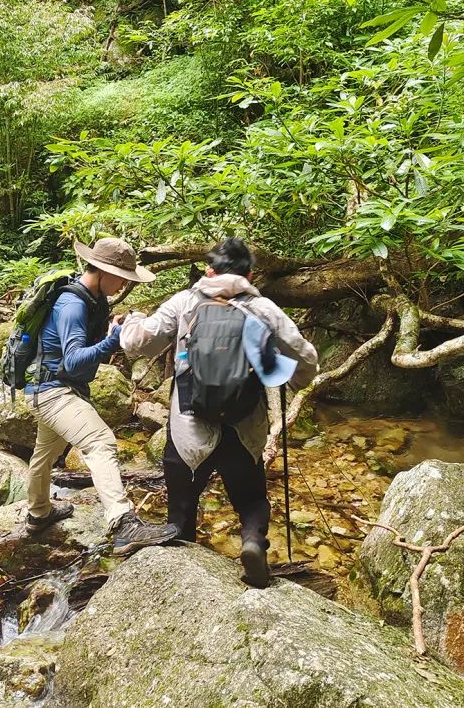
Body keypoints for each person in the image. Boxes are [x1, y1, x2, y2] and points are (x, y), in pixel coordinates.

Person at [120, 237, 318, 587]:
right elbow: (307, 359)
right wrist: (291, 382)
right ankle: (254, 542)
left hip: (190, 428)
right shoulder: (265, 309)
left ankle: (186, 579)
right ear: (251, 275)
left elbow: (139, 343)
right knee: (251, 499)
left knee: (181, 506)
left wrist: (130, 320)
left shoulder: (185, 302)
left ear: (209, 271)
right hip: (244, 425)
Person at [24, 237, 178, 556]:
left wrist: (111, 332)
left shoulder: (94, 299)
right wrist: (112, 341)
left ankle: (38, 514)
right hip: (52, 392)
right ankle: (122, 523)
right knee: (100, 441)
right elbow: (73, 360)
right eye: (122, 277)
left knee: (44, 454)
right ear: (103, 271)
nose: (124, 284)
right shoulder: (73, 304)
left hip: (49, 389)